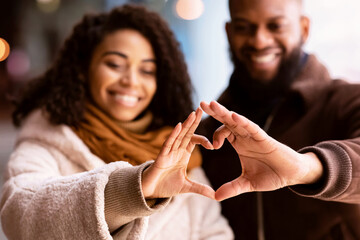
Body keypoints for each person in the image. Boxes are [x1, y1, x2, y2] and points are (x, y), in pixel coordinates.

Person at [0, 5, 234, 240]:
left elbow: (214, 233)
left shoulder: (178, 149)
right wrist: (133, 190)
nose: (131, 81)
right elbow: (19, 213)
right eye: (114, 65)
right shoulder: (48, 137)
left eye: (147, 71)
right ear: (84, 70)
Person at [198, 0, 360, 239]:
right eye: (244, 27)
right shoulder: (210, 131)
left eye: (276, 26)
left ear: (304, 28)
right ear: (229, 33)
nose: (259, 40)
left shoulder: (346, 101)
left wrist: (306, 168)